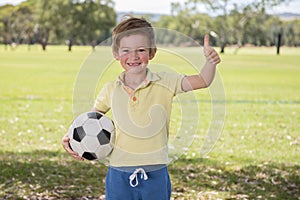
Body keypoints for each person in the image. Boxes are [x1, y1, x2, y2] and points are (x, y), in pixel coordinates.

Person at [62, 16, 220, 200]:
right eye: (126, 50)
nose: (134, 56)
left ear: (152, 53)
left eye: (141, 50)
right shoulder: (110, 89)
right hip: (118, 174)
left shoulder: (166, 82)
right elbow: (90, 122)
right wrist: (71, 137)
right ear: (116, 53)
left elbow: (202, 81)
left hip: (156, 174)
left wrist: (210, 62)